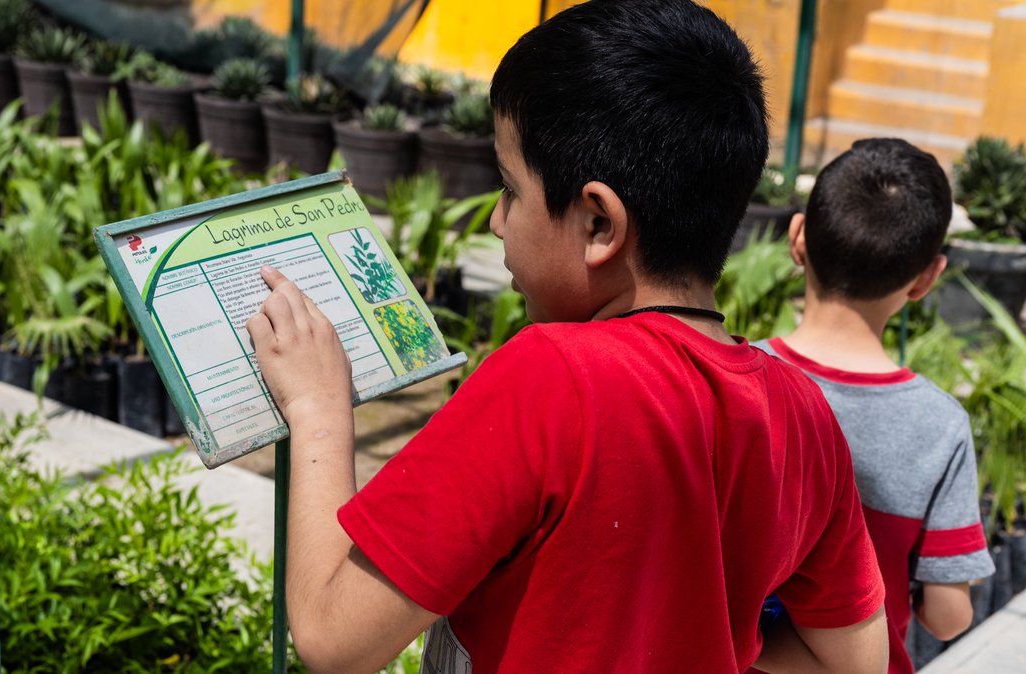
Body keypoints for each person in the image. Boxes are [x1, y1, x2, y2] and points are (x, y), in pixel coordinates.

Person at [245, 1, 888, 672]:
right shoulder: (802, 413)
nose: (496, 222)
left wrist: (318, 408)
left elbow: (331, 637)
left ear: (598, 224)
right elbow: (856, 660)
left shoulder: (550, 382)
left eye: (509, 188)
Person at [754, 138, 995, 674]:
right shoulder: (939, 426)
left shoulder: (733, 377)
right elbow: (948, 616)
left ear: (797, 238)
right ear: (928, 278)